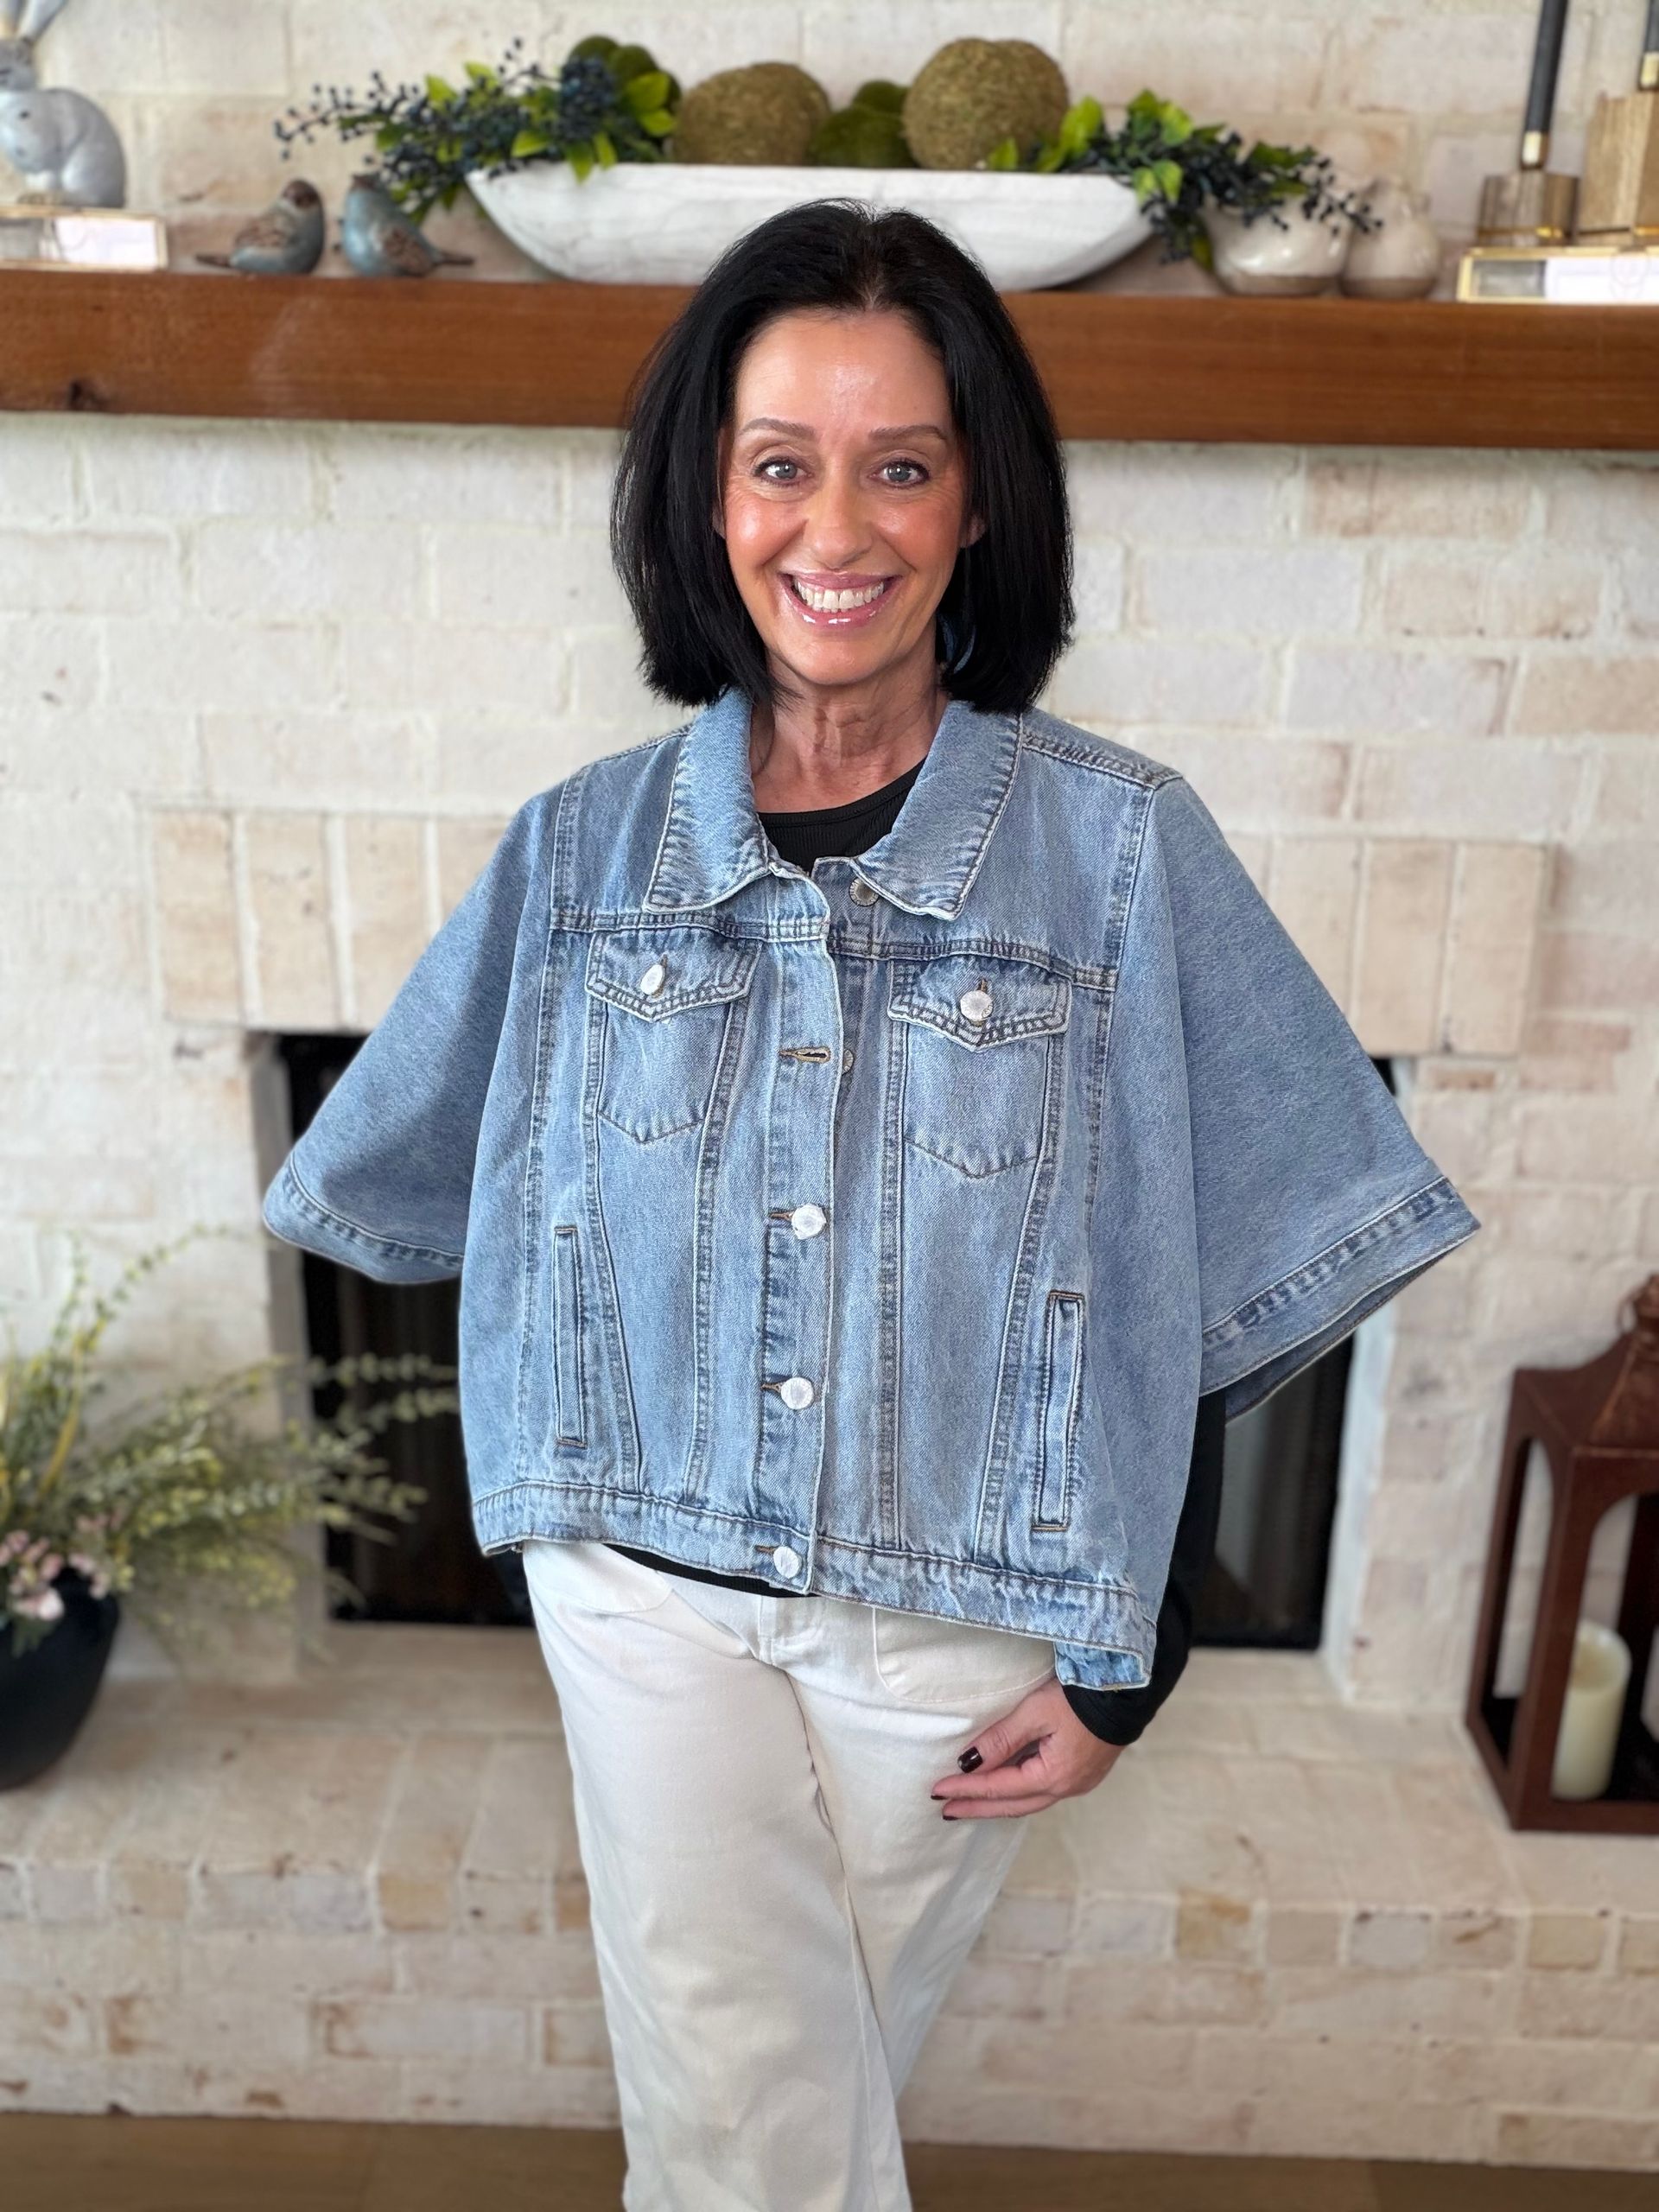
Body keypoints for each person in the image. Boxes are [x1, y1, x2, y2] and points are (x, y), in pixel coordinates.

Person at [261, 200, 1479, 2212]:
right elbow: (443, 1189)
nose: (841, 525)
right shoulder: (579, 855)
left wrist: (1130, 1648)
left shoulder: (1120, 855)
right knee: (757, 2119)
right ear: (706, 502)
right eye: (780, 463)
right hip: (647, 1603)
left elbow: (1210, 1264)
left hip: (958, 1617)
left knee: (774, 2118)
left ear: (978, 501)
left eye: (901, 462)